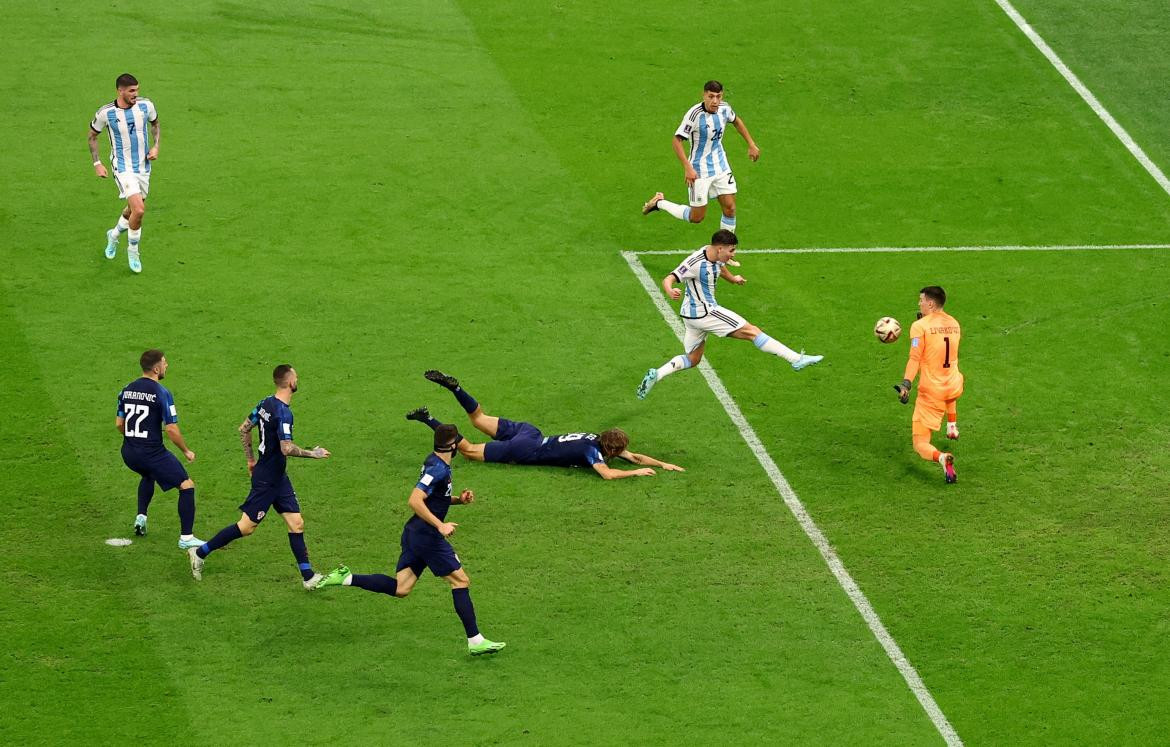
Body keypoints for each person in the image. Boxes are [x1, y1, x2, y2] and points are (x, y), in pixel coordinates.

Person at [317, 425, 506, 656]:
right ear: (454, 445)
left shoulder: (435, 463)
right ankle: (475, 640)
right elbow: (415, 500)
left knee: (402, 588)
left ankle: (347, 578)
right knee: (461, 581)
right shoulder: (438, 469)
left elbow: (436, 497)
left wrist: (458, 500)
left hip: (414, 533)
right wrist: (440, 525)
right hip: (427, 537)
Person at [188, 365, 331, 586]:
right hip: (267, 480)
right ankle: (199, 552)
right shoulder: (284, 412)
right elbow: (286, 448)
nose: (298, 379)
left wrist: (250, 459)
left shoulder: (266, 403)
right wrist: (314, 453)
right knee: (246, 527)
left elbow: (244, 428)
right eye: (296, 377)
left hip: (276, 475)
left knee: (297, 523)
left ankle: (308, 577)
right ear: (290, 382)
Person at [637, 230, 823, 399]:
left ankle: (657, 374)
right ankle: (795, 359)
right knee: (752, 331)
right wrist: (670, 290)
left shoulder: (713, 254)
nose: (733, 255)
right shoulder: (694, 263)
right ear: (720, 248)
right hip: (706, 313)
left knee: (693, 359)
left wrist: (733, 279)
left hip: (690, 317)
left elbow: (720, 267)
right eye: (731, 251)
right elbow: (669, 278)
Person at [409, 371, 684, 479]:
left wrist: (661, 464)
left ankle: (457, 389)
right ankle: (428, 419)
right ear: (611, 449)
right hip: (525, 449)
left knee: (478, 418)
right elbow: (608, 474)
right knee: (467, 451)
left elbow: (634, 456)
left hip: (530, 432)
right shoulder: (593, 454)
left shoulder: (595, 439)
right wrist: (635, 474)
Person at [642, 80, 760, 237]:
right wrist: (687, 167)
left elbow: (736, 120)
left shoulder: (725, 109)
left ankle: (724, 251)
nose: (715, 101)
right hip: (699, 170)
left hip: (721, 166)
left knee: (730, 208)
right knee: (696, 217)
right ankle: (659, 203)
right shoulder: (694, 115)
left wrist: (751, 144)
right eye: (711, 96)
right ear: (704, 95)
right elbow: (676, 140)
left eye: (718, 96)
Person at [116, 349, 203, 555]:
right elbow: (171, 429)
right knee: (186, 486)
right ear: (156, 368)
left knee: (148, 474)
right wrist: (186, 450)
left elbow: (119, 423)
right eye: (164, 363)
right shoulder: (161, 392)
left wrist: (133, 439)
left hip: (129, 452)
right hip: (151, 453)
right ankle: (186, 538)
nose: (166, 366)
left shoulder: (126, 389)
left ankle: (141, 517)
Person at [88, 73, 159, 274]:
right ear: (120, 91)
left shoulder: (146, 106)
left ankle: (114, 234)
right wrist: (97, 163)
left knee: (132, 209)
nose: (136, 94)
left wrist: (156, 147)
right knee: (139, 210)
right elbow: (92, 136)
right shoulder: (106, 113)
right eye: (131, 91)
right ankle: (133, 251)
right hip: (122, 167)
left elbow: (155, 124)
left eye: (137, 89)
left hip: (143, 167)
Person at [894, 286, 963, 483]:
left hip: (932, 392)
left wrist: (906, 384)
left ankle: (941, 457)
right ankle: (951, 425)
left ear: (931, 303)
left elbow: (915, 357)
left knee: (920, 442)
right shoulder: (955, 323)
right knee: (951, 383)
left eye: (921, 300)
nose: (919, 303)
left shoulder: (920, 327)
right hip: (953, 385)